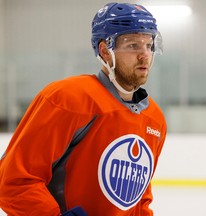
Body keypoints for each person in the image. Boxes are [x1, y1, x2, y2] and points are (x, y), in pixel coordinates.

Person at [0, 2, 167, 216]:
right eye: (133, 45)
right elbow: (13, 181)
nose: (144, 55)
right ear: (105, 50)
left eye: (149, 45)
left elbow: (138, 200)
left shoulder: (154, 119)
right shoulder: (68, 99)